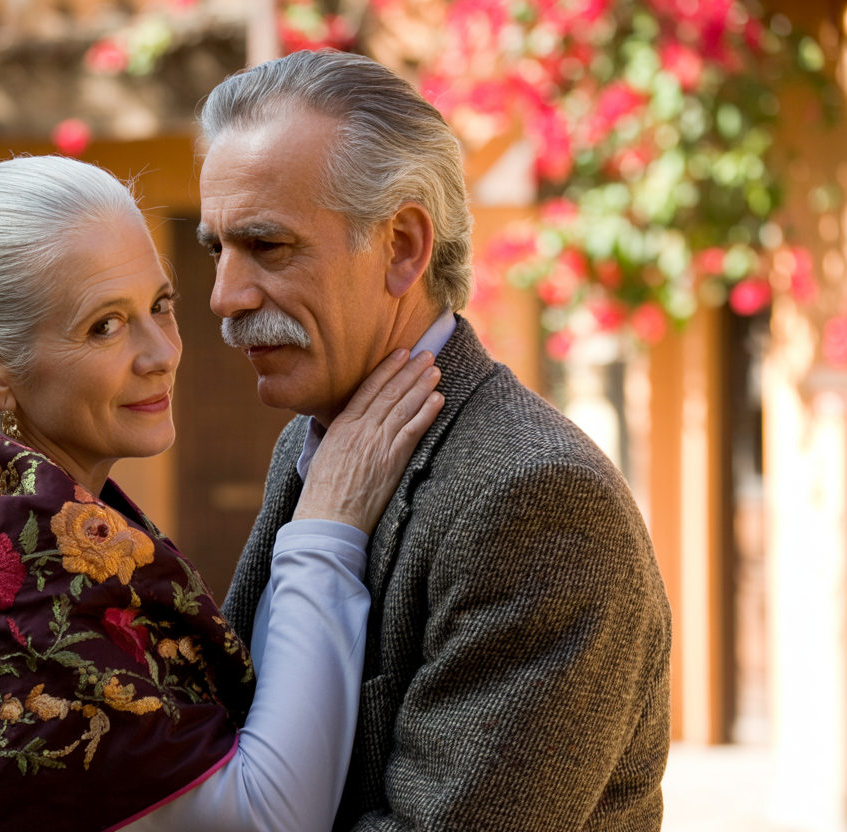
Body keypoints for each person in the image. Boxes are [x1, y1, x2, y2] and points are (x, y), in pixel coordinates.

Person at [0, 154, 445, 832]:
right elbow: (267, 822)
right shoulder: (19, 576)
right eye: (104, 325)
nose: (161, 351)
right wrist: (327, 528)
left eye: (160, 305)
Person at [197, 50, 672, 831]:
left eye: (268, 247)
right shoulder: (313, 439)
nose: (226, 296)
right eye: (219, 249)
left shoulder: (538, 498)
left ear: (404, 247)